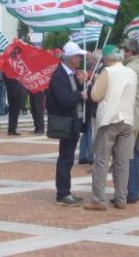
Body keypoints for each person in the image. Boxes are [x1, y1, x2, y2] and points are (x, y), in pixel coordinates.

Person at [83, 45, 136, 211]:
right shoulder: (131, 72)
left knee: (102, 161)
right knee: (122, 162)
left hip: (109, 120)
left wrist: (93, 84)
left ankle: (99, 199)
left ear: (106, 59)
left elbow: (95, 95)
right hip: (127, 120)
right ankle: (121, 197)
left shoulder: (108, 72)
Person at [47, 41, 87, 207]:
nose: (80, 59)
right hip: (66, 122)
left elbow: (71, 92)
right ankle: (62, 193)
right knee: (65, 158)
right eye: (78, 56)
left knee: (68, 158)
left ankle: (66, 191)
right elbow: (64, 99)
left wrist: (80, 83)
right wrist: (80, 95)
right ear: (70, 58)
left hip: (73, 122)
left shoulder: (69, 74)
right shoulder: (59, 75)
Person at [121, 39, 139, 204]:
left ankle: (131, 191)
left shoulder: (132, 68)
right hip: (135, 114)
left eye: (123, 51)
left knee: (129, 156)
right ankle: (133, 190)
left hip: (131, 116)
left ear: (129, 52)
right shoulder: (136, 66)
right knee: (133, 155)